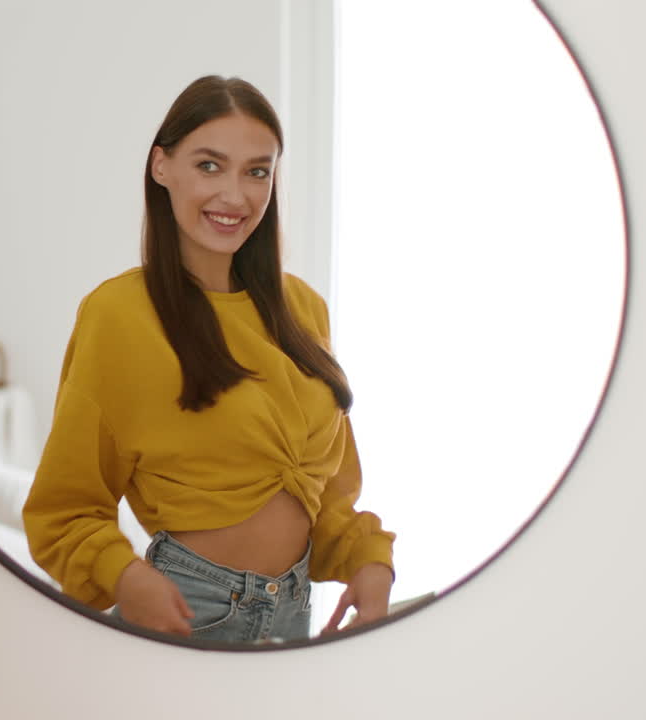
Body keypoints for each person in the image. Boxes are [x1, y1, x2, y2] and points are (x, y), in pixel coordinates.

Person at [22, 75, 394, 645]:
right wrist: (127, 579)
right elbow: (64, 510)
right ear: (161, 167)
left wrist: (369, 563)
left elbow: (327, 496)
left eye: (257, 171)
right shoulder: (118, 316)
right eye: (210, 165)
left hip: (295, 614)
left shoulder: (304, 310)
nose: (236, 196)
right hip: (186, 610)